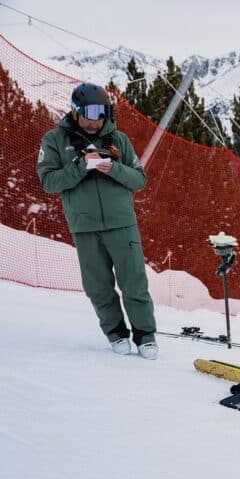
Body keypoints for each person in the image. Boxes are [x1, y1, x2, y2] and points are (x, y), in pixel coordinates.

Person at [37, 83, 158, 359]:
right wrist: (80, 166)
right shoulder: (54, 140)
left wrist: (113, 168)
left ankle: (145, 336)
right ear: (75, 111)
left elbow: (139, 179)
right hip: (85, 225)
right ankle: (116, 333)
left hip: (121, 223)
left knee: (134, 282)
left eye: (101, 114)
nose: (95, 120)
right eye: (89, 114)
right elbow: (49, 182)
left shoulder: (119, 140)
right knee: (98, 285)